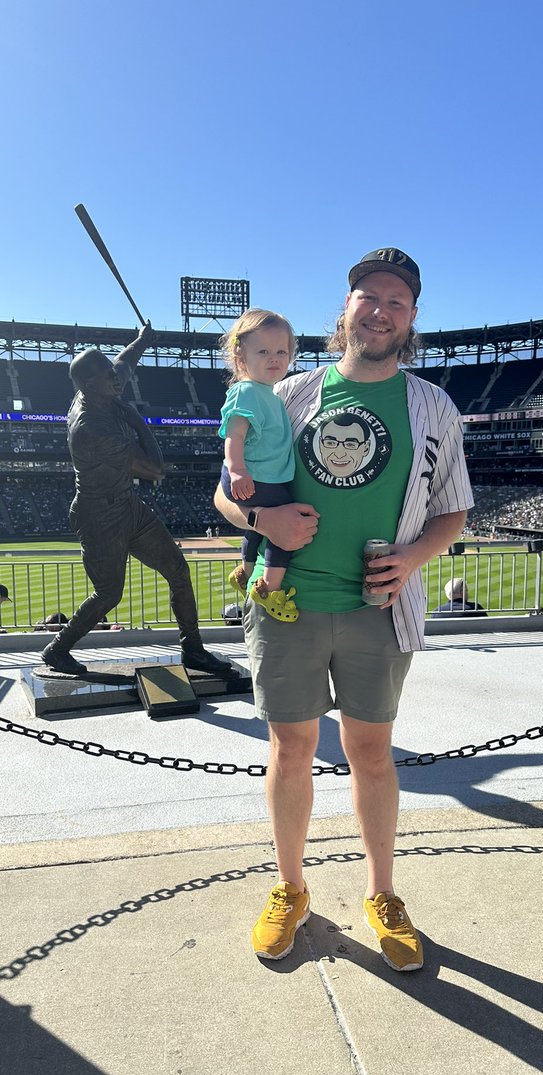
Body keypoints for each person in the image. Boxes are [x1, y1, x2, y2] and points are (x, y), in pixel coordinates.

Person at [215, 247, 474, 970]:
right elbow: (225, 494)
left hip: (378, 609)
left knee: (371, 756)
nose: (381, 309)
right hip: (286, 603)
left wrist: (414, 557)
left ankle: (383, 894)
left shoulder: (432, 405)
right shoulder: (288, 391)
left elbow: (453, 511)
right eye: (368, 295)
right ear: (347, 307)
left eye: (396, 300)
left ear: (412, 317)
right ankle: (290, 887)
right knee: (292, 750)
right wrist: (263, 526)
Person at [40, 325, 230, 677]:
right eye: (109, 376)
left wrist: (142, 341)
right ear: (90, 385)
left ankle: (193, 650)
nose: (118, 379)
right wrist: (137, 419)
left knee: (178, 570)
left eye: (114, 374)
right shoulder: (91, 426)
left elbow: (125, 363)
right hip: (98, 515)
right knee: (109, 594)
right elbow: (155, 469)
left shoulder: (100, 388)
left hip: (126, 505)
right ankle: (57, 649)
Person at [219, 309, 299, 623]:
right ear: (241, 356)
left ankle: (247, 571)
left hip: (259, 475)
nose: (274, 358)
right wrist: (237, 470)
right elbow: (234, 435)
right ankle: (269, 589)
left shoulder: (268, 393)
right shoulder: (248, 391)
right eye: (263, 351)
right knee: (285, 528)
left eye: (282, 351)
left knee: (260, 526)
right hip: (254, 475)